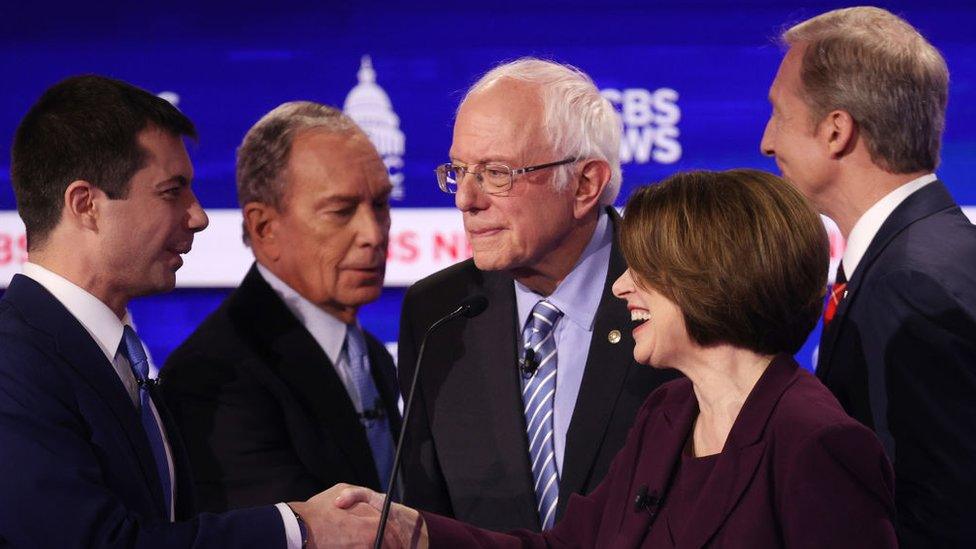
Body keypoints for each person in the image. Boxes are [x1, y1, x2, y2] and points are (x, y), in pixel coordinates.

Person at [335, 169, 898, 547]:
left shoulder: (816, 442)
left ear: (711, 277)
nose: (623, 286)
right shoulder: (669, 412)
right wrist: (414, 530)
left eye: (647, 268)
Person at [0, 75, 382, 548]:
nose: (198, 216)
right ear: (86, 205)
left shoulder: (117, 356)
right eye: (171, 191)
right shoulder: (12, 361)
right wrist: (299, 528)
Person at [397, 58, 674, 532]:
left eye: (497, 173)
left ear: (586, 184)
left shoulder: (678, 293)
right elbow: (430, 517)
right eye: (459, 170)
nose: (467, 198)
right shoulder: (438, 313)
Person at [761, 7, 976, 545]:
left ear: (837, 130)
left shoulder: (910, 286)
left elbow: (936, 516)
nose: (767, 141)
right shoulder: (926, 254)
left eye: (779, 115)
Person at [161, 101, 400, 513]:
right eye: (341, 211)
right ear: (264, 228)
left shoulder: (371, 356)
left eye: (379, 204)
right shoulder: (213, 376)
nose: (373, 234)